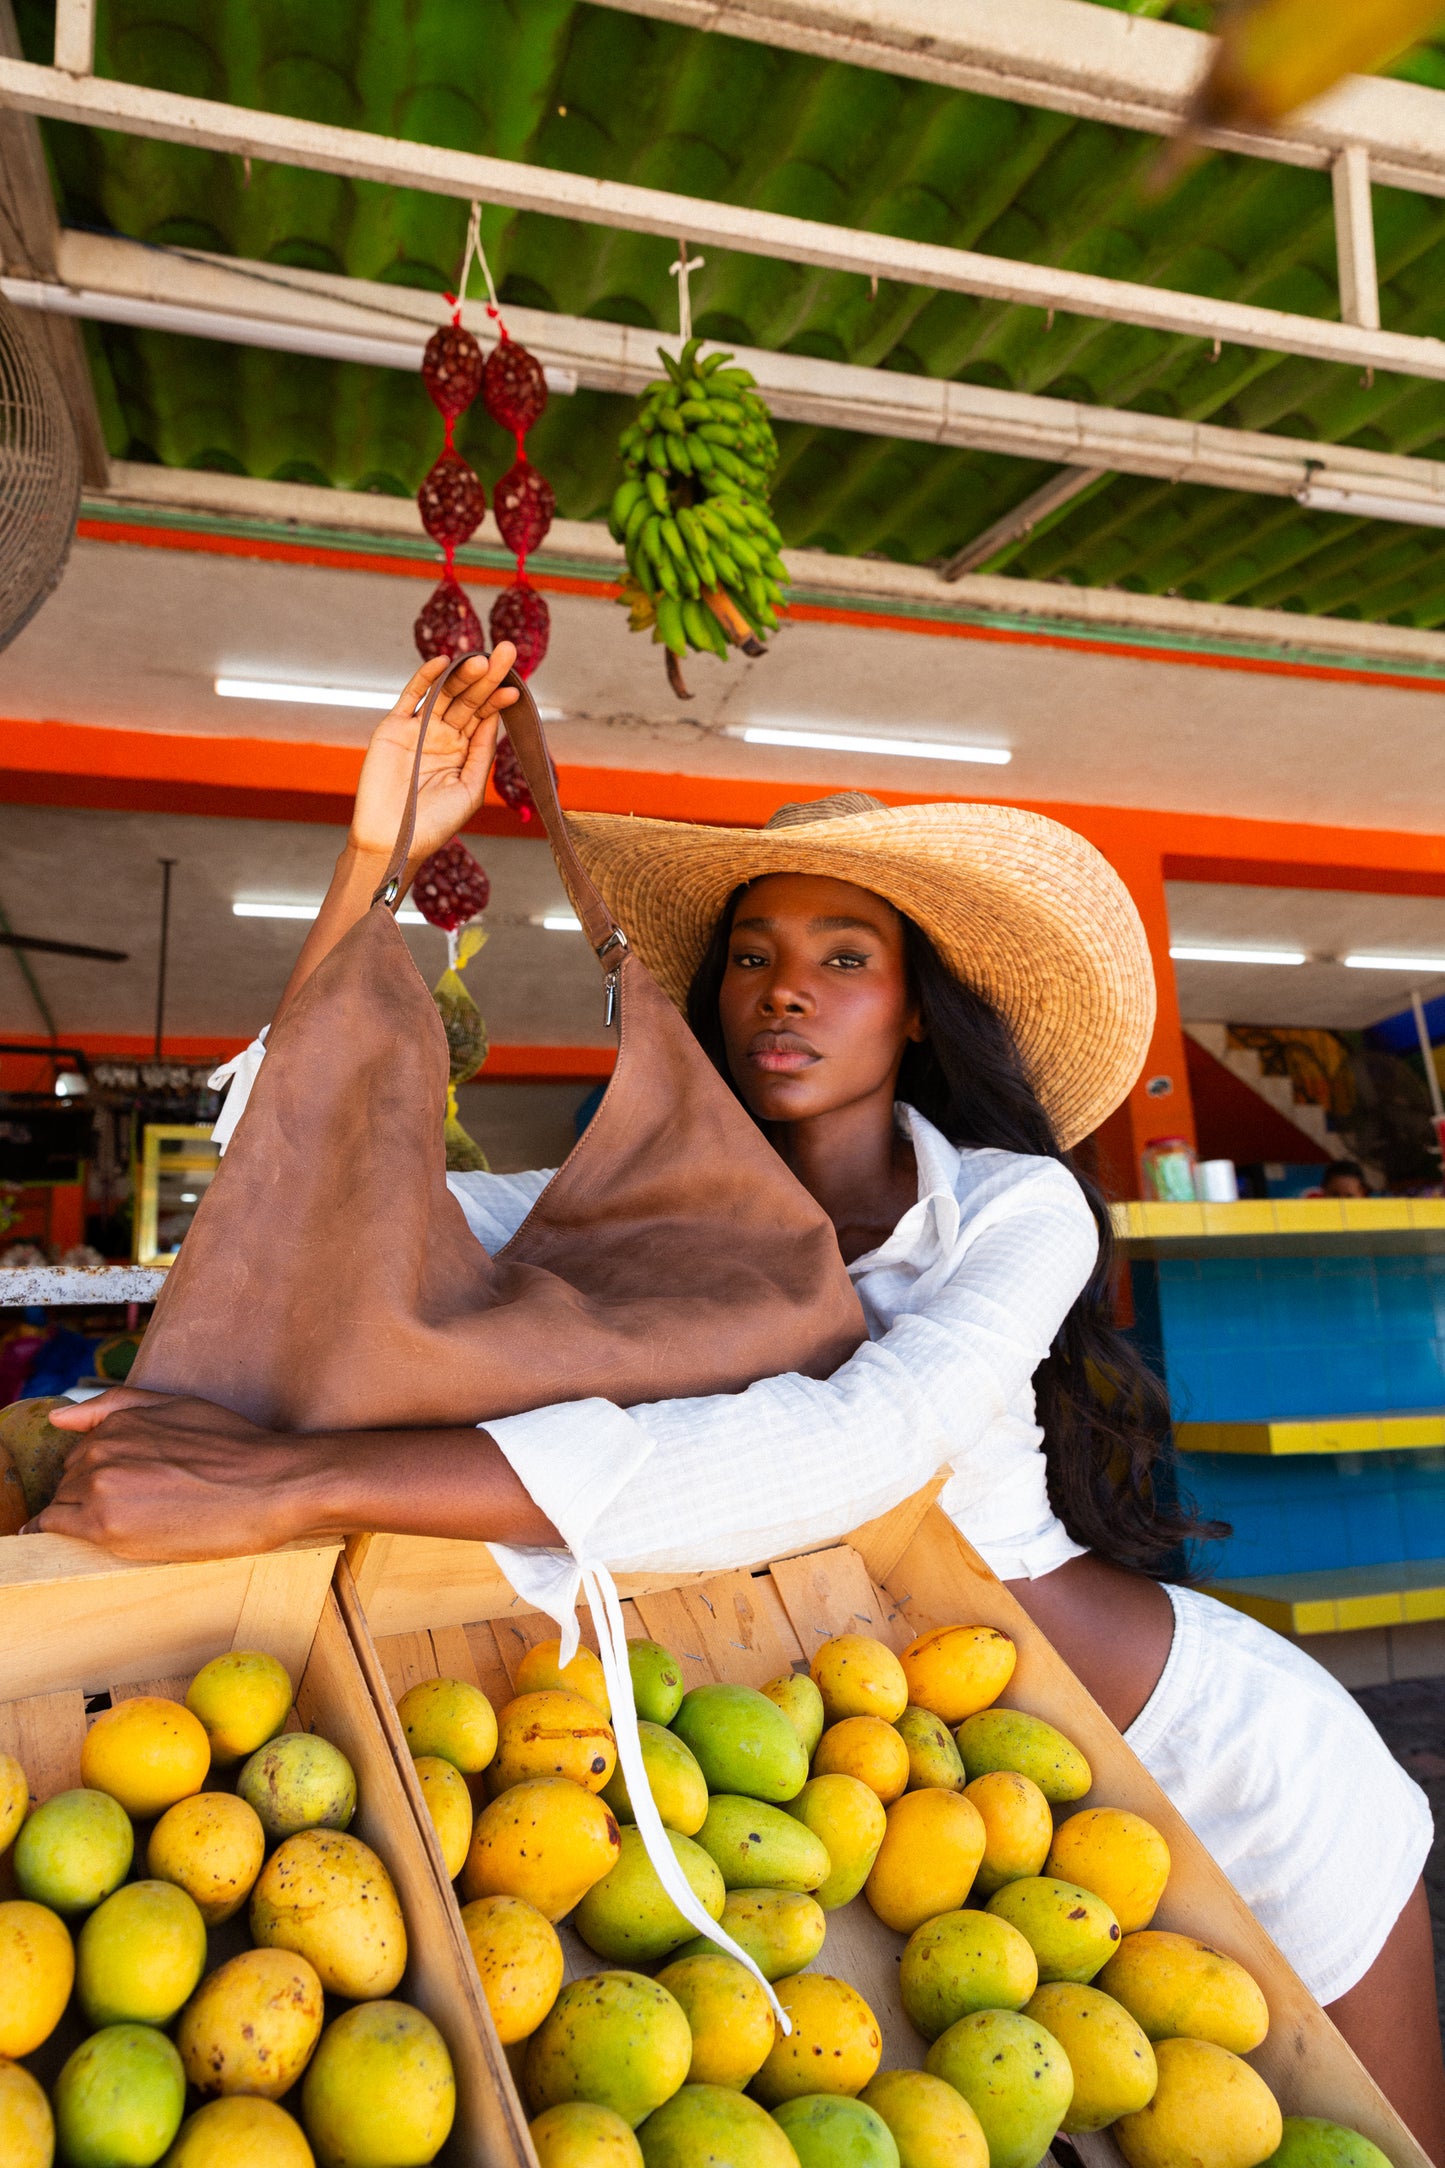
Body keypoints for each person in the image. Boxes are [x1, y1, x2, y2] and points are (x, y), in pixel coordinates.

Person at [36, 649, 1444, 2154]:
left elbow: (857, 1448)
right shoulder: (628, 1217)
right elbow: (300, 1178)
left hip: (1197, 1741)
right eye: (753, 953)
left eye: (846, 956)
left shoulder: (1010, 1209)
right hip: (877, 1777)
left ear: (917, 1009)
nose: (785, 988)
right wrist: (378, 860)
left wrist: (293, 1479)